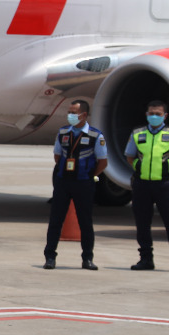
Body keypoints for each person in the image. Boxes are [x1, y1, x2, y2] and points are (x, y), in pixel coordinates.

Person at [125, 100, 169, 272]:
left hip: (164, 185)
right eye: (151, 113)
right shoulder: (138, 134)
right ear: (146, 115)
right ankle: (146, 259)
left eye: (158, 114)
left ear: (165, 116)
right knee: (142, 223)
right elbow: (129, 156)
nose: (154, 116)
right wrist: (138, 169)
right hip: (142, 184)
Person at [43, 99, 107, 270]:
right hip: (64, 181)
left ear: (84, 115)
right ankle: (50, 256)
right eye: (69, 112)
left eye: (73, 112)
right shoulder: (63, 132)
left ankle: (87, 258)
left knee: (85, 221)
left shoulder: (95, 135)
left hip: (84, 182)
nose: (70, 115)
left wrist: (90, 175)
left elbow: (103, 161)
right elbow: (57, 156)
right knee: (56, 220)